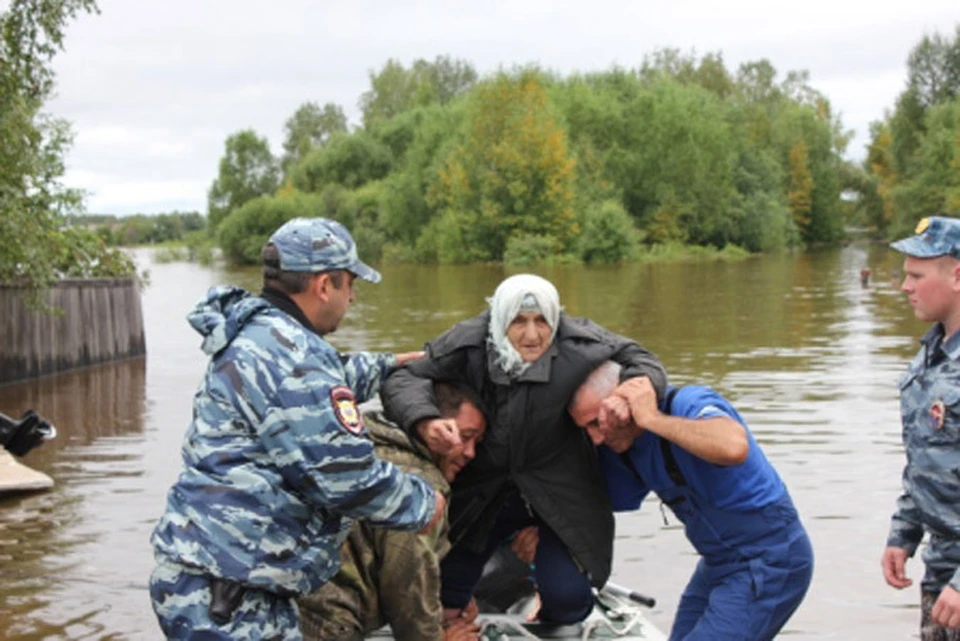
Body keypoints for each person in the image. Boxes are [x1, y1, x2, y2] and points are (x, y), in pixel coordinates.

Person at [148, 217, 446, 640]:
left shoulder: (261, 333)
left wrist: (390, 365)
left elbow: (328, 380)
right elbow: (345, 477)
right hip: (230, 597)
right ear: (325, 285)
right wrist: (422, 503)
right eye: (348, 285)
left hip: (212, 575)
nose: (354, 298)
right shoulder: (297, 361)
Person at [381, 273, 667, 625]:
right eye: (518, 321)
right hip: (481, 492)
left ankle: (539, 601)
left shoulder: (581, 342)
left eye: (541, 321)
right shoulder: (469, 342)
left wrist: (630, 393)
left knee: (569, 601)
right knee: (442, 597)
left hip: (557, 490)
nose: (532, 335)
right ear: (500, 320)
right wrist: (425, 421)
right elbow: (404, 377)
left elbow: (644, 360)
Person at [568, 361, 814, 641]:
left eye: (597, 421)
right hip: (718, 563)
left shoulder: (687, 403)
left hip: (772, 558)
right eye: (585, 428)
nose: (596, 437)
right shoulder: (621, 447)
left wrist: (651, 419)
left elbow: (734, 446)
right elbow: (590, 506)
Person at [298, 382, 487, 641]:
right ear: (434, 427)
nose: (470, 453)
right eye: (465, 437)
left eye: (477, 442)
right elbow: (406, 581)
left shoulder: (358, 447)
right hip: (326, 622)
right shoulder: (421, 486)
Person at [882, 216, 960, 639]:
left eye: (916, 275)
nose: (904, 287)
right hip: (942, 565)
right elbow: (927, 461)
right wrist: (904, 532)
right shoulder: (930, 356)